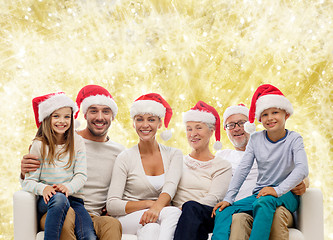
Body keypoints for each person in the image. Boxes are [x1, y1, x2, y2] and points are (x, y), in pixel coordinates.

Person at [20, 85, 124, 240]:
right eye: (94, 110)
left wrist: (114, 207)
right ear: (84, 114)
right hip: (57, 209)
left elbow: (126, 187)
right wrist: (23, 172)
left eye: (106, 111)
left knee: (112, 224)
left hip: (87, 212)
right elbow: (32, 177)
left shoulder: (119, 152)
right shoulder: (62, 138)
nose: (100, 117)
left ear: (113, 116)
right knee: (67, 214)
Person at [211, 84, 309, 240]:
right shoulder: (256, 139)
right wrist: (229, 199)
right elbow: (243, 169)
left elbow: (302, 169)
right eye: (264, 114)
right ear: (259, 119)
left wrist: (277, 190)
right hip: (260, 195)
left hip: (285, 195)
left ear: (286, 115)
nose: (270, 118)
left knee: (264, 202)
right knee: (225, 210)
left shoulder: (294, 139)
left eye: (275, 112)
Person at [107, 93, 183, 240]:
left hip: (158, 215)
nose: (145, 125)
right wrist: (150, 205)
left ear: (160, 123)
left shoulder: (174, 154)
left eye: (151, 119)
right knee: (171, 213)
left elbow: (170, 186)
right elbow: (112, 204)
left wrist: (155, 208)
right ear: (133, 123)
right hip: (127, 218)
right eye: (139, 119)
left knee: (152, 228)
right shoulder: (125, 157)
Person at [22, 92, 97, 240]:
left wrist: (68, 187)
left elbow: (81, 175)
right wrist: (44, 188)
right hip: (48, 200)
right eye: (56, 116)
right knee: (59, 198)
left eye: (66, 116)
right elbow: (28, 181)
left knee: (88, 235)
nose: (62, 121)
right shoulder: (39, 145)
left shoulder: (77, 142)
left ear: (72, 118)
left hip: (74, 199)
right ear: (47, 118)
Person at [172, 101, 232, 240]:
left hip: (208, 214)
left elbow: (214, 198)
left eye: (198, 128)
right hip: (178, 213)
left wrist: (186, 209)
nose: (193, 134)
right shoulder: (177, 160)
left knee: (191, 207)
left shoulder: (222, 165)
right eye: (189, 129)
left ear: (211, 131)